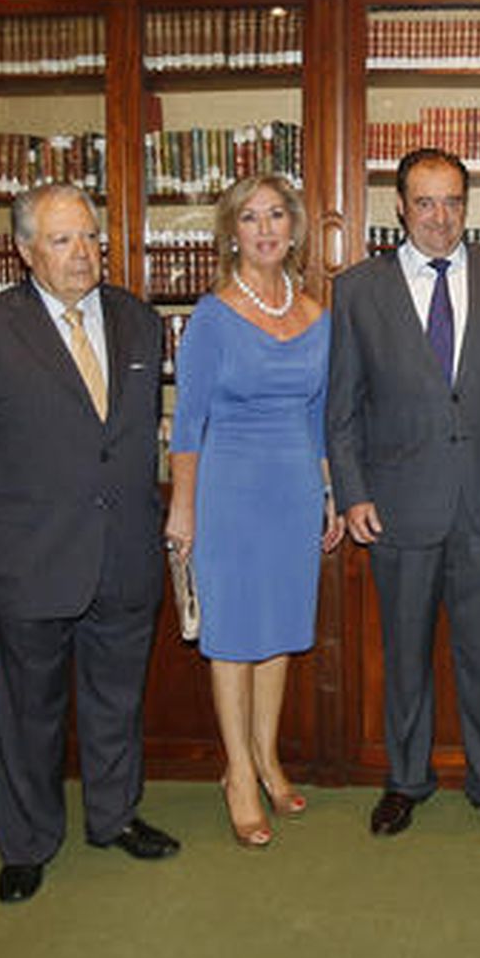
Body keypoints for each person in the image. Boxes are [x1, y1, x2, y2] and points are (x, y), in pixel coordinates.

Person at [0, 183, 179, 904]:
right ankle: (27, 843)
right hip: (30, 555)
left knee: (115, 701)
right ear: (24, 250)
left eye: (92, 237)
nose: (84, 253)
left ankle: (115, 815)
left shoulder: (137, 320)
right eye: (64, 239)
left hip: (125, 552)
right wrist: (22, 505)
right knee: (26, 710)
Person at [327, 147, 480, 841]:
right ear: (400, 207)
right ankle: (406, 780)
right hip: (397, 504)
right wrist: (352, 490)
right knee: (405, 655)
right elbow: (342, 406)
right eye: (425, 202)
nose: (440, 217)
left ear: (467, 205)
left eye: (452, 201)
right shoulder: (358, 288)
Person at [165, 175, 344, 849]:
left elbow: (320, 416)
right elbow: (187, 423)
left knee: (278, 634)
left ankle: (268, 757)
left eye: (276, 215)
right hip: (228, 495)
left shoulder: (317, 315)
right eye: (250, 217)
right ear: (231, 232)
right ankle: (238, 773)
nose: (265, 227)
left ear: (295, 228)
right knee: (234, 639)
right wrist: (183, 512)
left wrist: (328, 492)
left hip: (294, 490)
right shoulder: (211, 316)